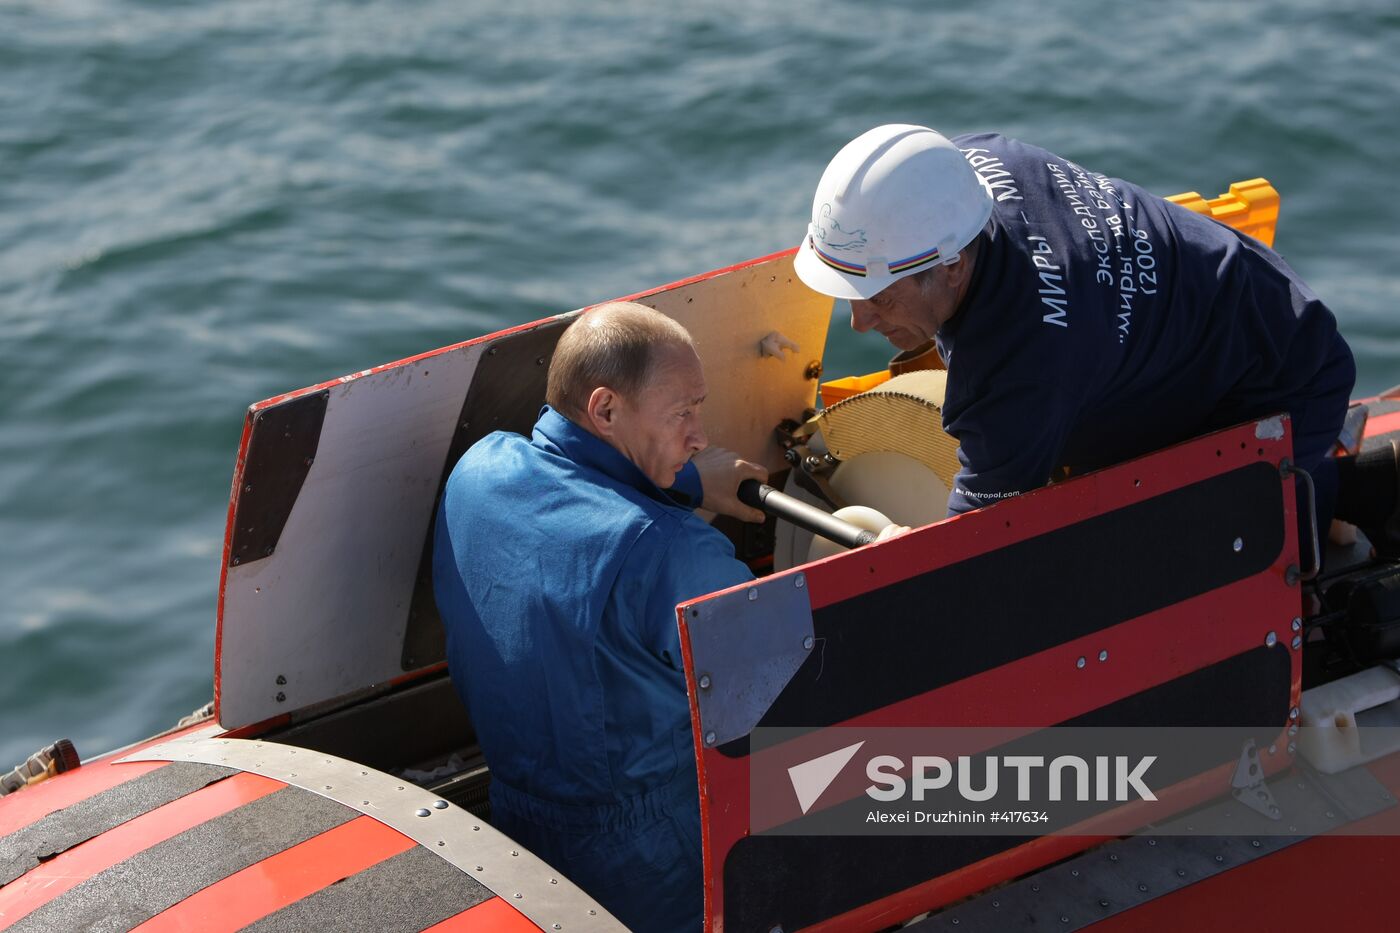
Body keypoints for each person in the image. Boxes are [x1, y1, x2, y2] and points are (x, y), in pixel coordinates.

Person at [793, 124, 1397, 555]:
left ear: (951, 265)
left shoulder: (1018, 366)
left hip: (1280, 381)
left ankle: (1336, 513)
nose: (861, 323)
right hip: (1246, 293)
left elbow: (973, 550)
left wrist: (900, 548)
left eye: (881, 296)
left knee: (1176, 561)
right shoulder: (965, 166)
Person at [432, 302, 765, 932]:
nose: (699, 434)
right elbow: (789, 691)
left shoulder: (477, 471)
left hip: (517, 841)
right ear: (606, 409)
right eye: (683, 413)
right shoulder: (677, 553)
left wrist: (685, 480)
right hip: (656, 864)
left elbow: (575, 501)